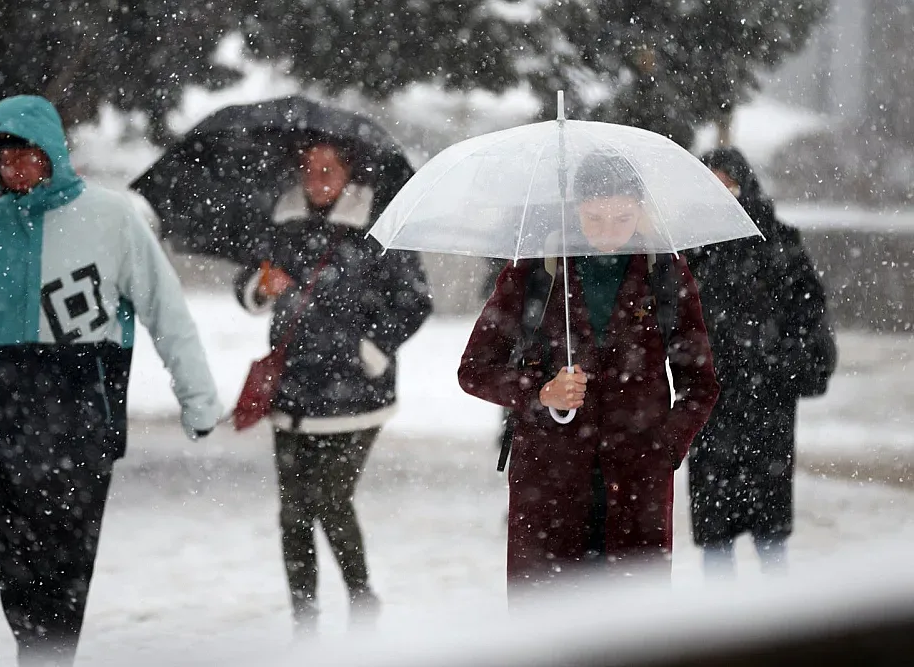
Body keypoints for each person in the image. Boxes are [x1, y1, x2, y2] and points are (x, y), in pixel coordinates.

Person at [0, 95, 223, 665]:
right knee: (13, 560)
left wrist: (198, 400)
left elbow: (167, 310)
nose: (15, 169)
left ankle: (50, 657)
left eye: (26, 155)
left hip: (83, 417)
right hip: (2, 416)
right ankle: (33, 653)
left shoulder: (111, 218)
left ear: (51, 153)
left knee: (66, 566)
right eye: (4, 159)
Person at [457, 152, 720, 589]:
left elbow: (700, 383)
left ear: (641, 209)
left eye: (623, 218)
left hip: (636, 486)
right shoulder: (535, 269)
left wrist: (664, 449)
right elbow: (474, 369)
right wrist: (540, 391)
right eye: (595, 217)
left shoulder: (665, 272)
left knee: (631, 626)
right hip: (549, 484)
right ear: (575, 208)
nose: (608, 232)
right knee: (550, 626)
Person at [234, 142, 432, 633]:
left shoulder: (380, 227)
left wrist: (373, 347)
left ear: (349, 174)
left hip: (355, 395)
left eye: (329, 169)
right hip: (293, 391)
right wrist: (262, 285)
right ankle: (305, 615)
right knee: (291, 513)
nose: (317, 178)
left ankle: (362, 599)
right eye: (307, 168)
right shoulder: (282, 222)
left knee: (329, 500)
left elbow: (415, 300)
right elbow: (247, 280)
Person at [686, 147, 836, 576]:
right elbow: (671, 322)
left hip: (767, 407)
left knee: (770, 540)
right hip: (712, 408)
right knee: (715, 540)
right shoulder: (690, 250)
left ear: (744, 184)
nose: (722, 194)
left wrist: (774, 362)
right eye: (710, 185)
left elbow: (811, 319)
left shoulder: (779, 243)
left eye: (727, 183)